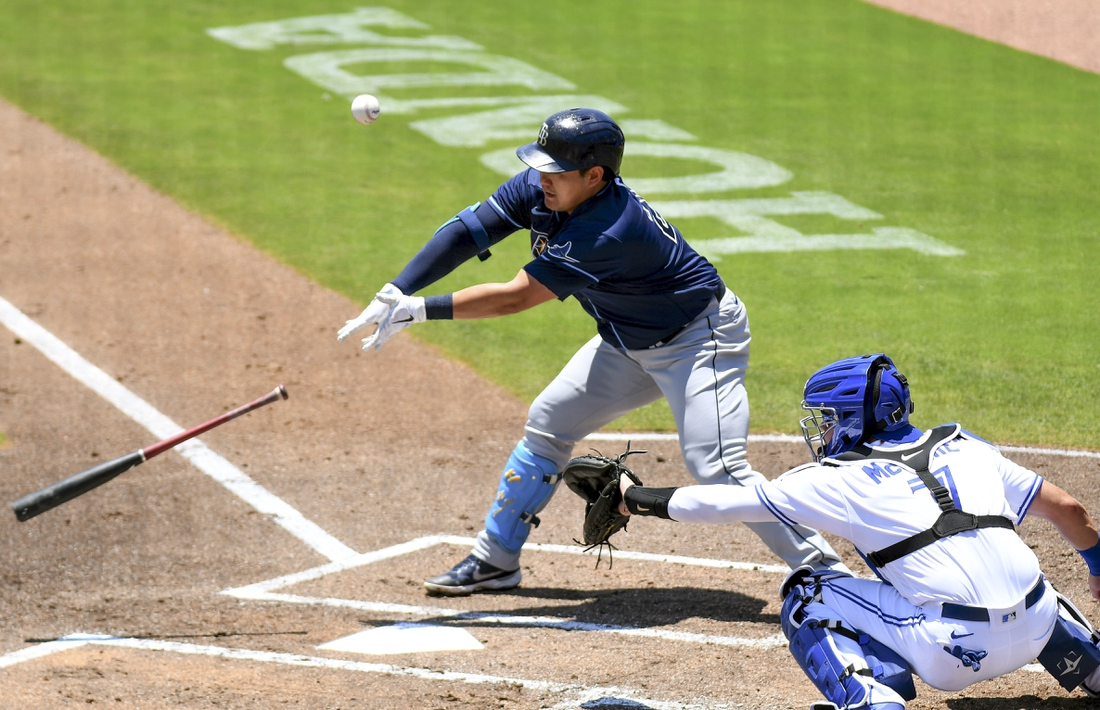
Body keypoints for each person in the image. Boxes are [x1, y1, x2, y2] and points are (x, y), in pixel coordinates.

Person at [338, 107, 848, 596]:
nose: (543, 179)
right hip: (627, 340)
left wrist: (420, 310)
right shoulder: (545, 189)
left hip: (699, 341)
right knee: (548, 422)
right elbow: (468, 233)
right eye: (541, 166)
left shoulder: (607, 231)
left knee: (716, 466)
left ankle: (827, 574)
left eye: (558, 171)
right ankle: (495, 560)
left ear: (596, 176)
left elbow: (517, 296)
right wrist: (397, 289)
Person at [618, 353, 1100, 709]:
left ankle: (871, 699)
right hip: (1036, 630)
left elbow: (723, 503)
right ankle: (1093, 666)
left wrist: (635, 499)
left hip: (951, 655)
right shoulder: (968, 447)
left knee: (808, 589)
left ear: (851, 420)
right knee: (1018, 571)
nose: (820, 432)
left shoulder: (838, 478)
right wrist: (1097, 568)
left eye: (825, 420)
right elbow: (1068, 509)